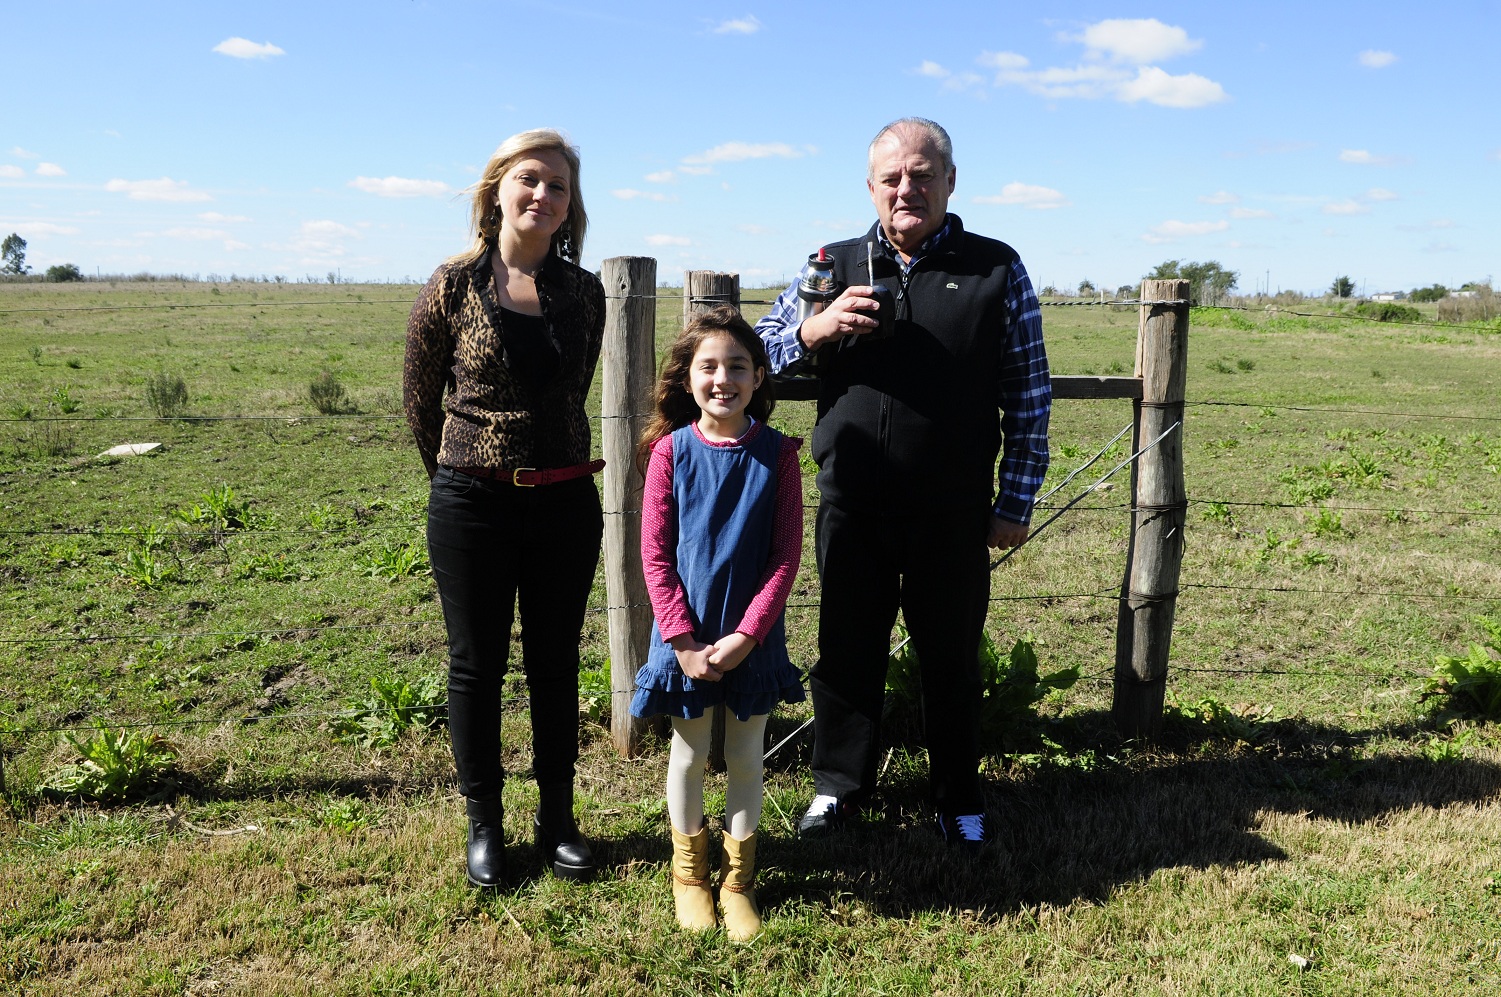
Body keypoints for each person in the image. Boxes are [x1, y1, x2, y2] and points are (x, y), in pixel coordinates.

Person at [754, 117, 1051, 849]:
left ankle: (958, 799)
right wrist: (812, 332)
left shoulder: (995, 267)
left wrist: (1013, 500)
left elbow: (1029, 392)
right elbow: (750, 354)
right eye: (891, 177)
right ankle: (838, 789)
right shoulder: (829, 262)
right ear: (869, 186)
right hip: (852, 500)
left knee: (950, 654)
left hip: (951, 508)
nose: (905, 188)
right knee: (845, 649)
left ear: (950, 182)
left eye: (921, 175)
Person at [404, 128, 605, 889]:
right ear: (496, 190)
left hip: (564, 501)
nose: (543, 196)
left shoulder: (583, 293)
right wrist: (467, 471)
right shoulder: (451, 285)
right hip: (472, 504)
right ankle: (484, 826)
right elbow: (420, 404)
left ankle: (558, 821)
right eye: (530, 179)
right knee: (475, 666)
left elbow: (571, 390)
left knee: (555, 664)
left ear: (568, 205)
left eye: (558, 186)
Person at [630, 305, 805, 940]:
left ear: (760, 376)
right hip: (685, 641)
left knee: (747, 753)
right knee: (689, 750)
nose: (722, 379)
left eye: (737, 366)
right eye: (708, 366)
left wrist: (744, 637)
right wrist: (682, 640)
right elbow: (653, 553)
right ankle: (688, 877)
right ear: (687, 379)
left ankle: (738, 882)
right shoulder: (669, 454)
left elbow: (786, 556)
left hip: (751, 639)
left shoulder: (778, 457)